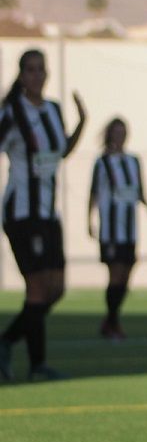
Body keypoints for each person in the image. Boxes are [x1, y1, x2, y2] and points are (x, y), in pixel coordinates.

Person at [0, 48, 86, 381]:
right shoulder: (12, 112)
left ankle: (7, 342)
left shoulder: (52, 109)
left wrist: (82, 123)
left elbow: (61, 151)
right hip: (22, 213)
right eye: (31, 70)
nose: (37, 75)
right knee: (37, 290)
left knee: (56, 289)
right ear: (21, 76)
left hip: (49, 214)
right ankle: (37, 365)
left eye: (41, 69)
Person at [88, 117, 147, 341]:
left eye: (123, 131)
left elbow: (139, 190)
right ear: (109, 134)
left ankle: (110, 320)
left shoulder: (133, 161)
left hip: (130, 229)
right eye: (117, 132)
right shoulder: (102, 163)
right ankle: (112, 322)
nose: (120, 136)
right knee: (115, 275)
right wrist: (89, 221)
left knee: (126, 275)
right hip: (111, 229)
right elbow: (94, 193)